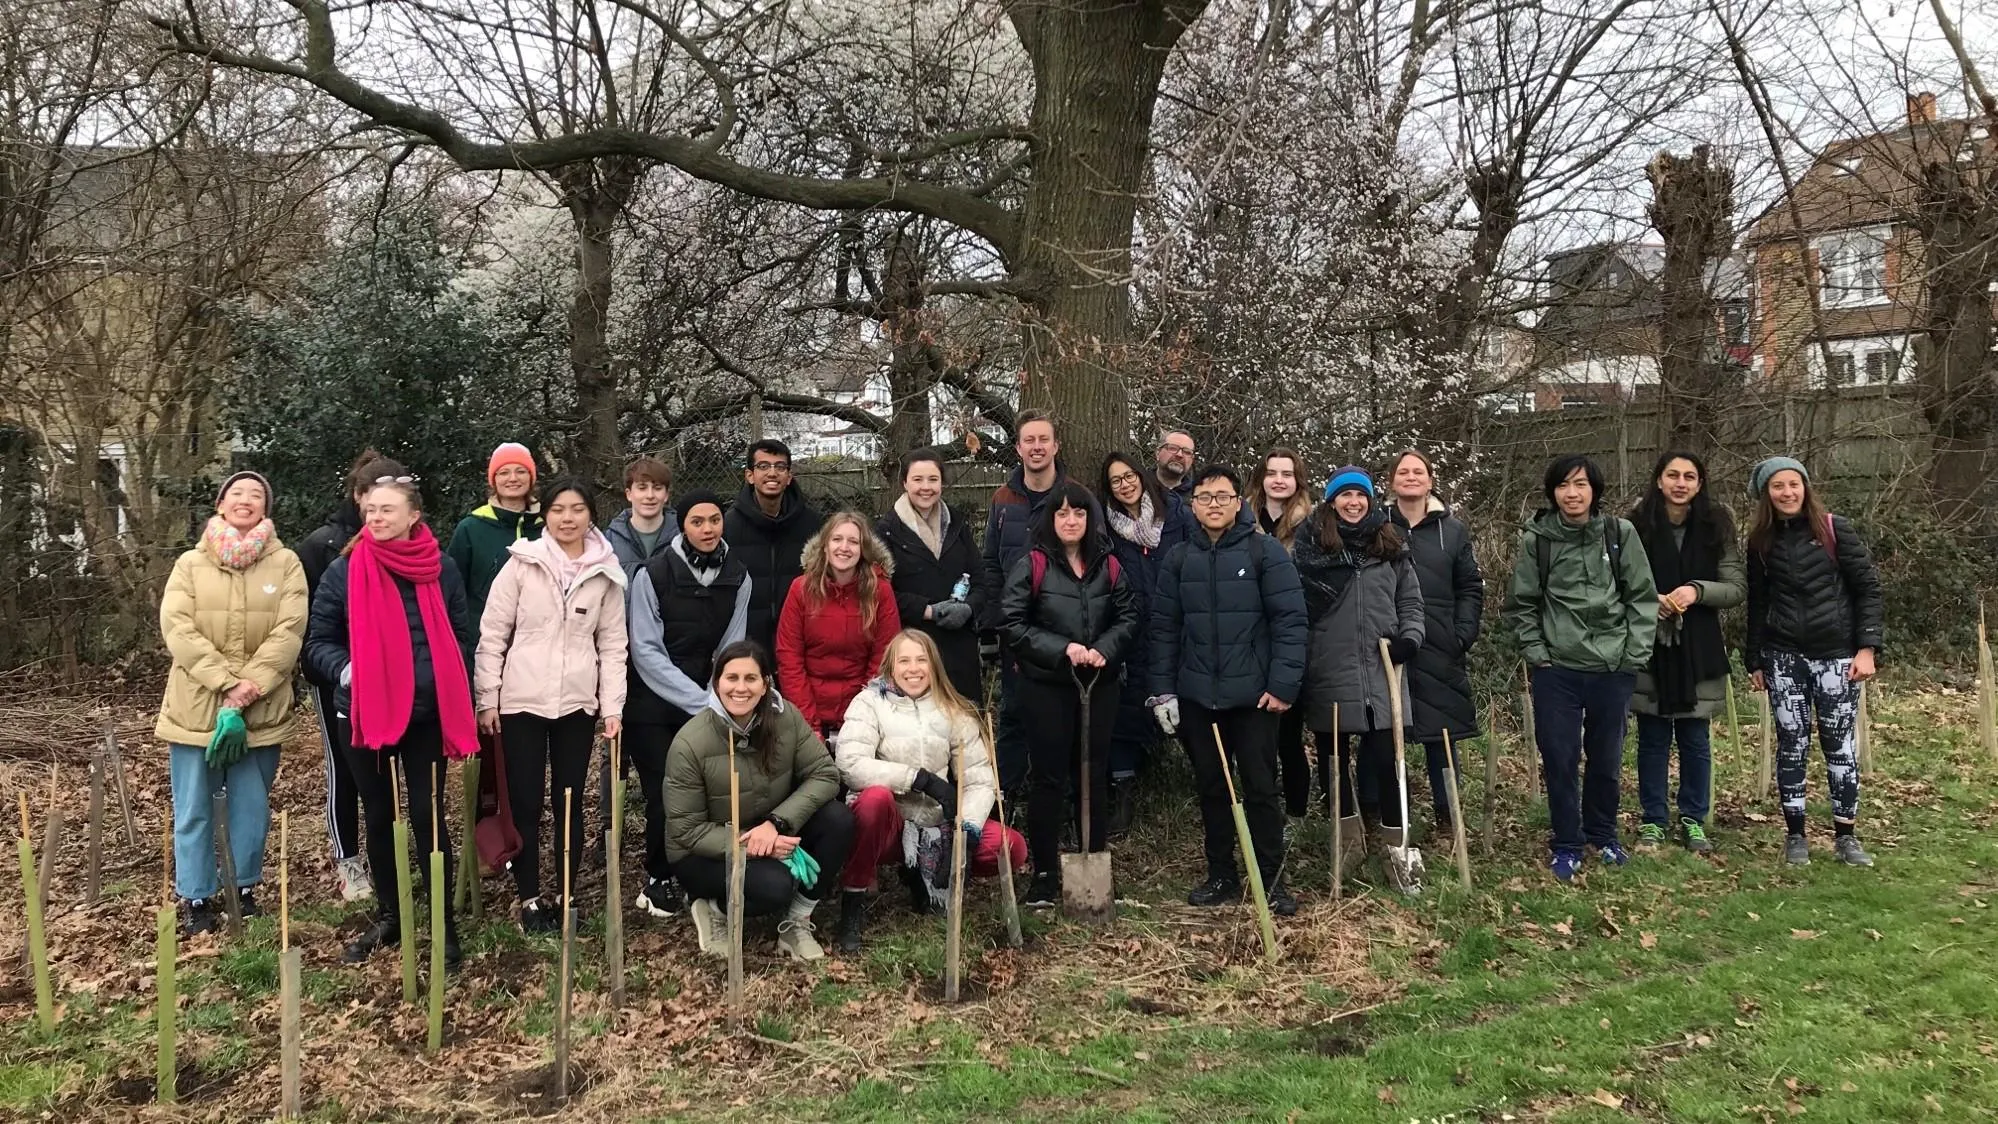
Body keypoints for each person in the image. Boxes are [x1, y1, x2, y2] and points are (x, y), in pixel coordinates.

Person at [303, 462, 478, 966]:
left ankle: (443, 927)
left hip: (426, 714)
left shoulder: (441, 568)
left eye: (387, 510)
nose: (376, 518)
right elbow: (317, 643)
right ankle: (392, 918)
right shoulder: (344, 569)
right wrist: (349, 671)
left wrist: (448, 681)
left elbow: (461, 638)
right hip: (361, 713)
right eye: (370, 509)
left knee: (427, 817)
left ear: (413, 515)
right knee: (379, 815)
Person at [1150, 466, 1309, 912]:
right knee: (1213, 790)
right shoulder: (1179, 559)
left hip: (1255, 700)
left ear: (1239, 502)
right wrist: (1163, 692)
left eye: (1222, 496)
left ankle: (1272, 880)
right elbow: (1163, 629)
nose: (1214, 504)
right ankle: (1221, 875)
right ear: (1192, 505)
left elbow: (1291, 623)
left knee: (1260, 789)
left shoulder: (1266, 554)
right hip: (1200, 699)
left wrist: (1282, 686)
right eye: (1204, 497)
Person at [157, 470, 309, 935]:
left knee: (250, 805)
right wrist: (225, 683)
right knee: (194, 807)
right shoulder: (189, 565)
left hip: (261, 711)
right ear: (222, 504)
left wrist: (251, 686)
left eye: (256, 495)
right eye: (237, 493)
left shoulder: (286, 565)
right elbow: (177, 628)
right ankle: (196, 897)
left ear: (266, 508)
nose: (246, 500)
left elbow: (291, 630)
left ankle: (242, 888)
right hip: (195, 709)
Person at [475, 478, 628, 933]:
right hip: (520, 700)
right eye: (558, 509)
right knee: (524, 802)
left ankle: (565, 893)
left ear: (590, 516)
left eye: (577, 509)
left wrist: (612, 705)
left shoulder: (607, 574)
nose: (567, 518)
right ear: (546, 515)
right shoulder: (522, 564)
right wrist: (488, 697)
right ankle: (528, 898)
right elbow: (493, 634)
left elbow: (614, 644)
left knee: (569, 799)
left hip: (577, 706)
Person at [1504, 455, 1659, 883]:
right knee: (1559, 756)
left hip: (1613, 667)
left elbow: (1641, 598)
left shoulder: (1618, 534)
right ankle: (1567, 842)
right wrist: (1538, 654)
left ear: (1595, 490)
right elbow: (1522, 603)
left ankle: (1604, 834)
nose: (1572, 493)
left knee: (1606, 758)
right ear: (1552, 492)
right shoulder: (1539, 540)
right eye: (1564, 486)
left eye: (1581, 485)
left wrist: (1632, 655)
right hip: (1557, 669)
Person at [832, 629, 1027, 952]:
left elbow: (979, 779)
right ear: (890, 667)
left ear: (934, 665)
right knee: (875, 799)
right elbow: (851, 763)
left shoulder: (952, 709)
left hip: (936, 825)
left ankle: (925, 880)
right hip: (887, 826)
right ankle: (852, 904)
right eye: (904, 661)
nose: (913, 669)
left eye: (921, 660)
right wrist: (918, 778)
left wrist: (968, 829)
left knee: (1011, 847)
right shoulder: (870, 703)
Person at [665, 641, 854, 962]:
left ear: (766, 683)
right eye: (731, 678)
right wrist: (750, 843)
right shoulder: (690, 743)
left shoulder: (786, 719)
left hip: (770, 825)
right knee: (774, 887)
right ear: (716, 683)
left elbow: (825, 774)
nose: (741, 688)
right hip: (704, 852)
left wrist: (777, 823)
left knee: (839, 820)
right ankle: (713, 910)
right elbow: (687, 830)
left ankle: (797, 921)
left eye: (751, 679)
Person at [999, 482, 1141, 908]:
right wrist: (1062, 650)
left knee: (1092, 774)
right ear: (1050, 520)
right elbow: (1011, 622)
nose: (1071, 521)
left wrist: (1105, 649)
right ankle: (1043, 875)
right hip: (1047, 687)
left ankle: (1093, 860)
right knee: (1048, 779)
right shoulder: (1033, 564)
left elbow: (1130, 616)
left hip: (1100, 686)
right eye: (1062, 514)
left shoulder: (1109, 566)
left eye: (1078, 513)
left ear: (1089, 518)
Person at [1293, 467, 1427, 895]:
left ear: (1371, 500)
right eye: (1344, 495)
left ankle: (1395, 844)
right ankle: (1346, 841)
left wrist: (1410, 637)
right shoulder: (1311, 547)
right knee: (1333, 762)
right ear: (1331, 501)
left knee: (1390, 760)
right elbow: (1296, 611)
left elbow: (1410, 600)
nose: (1354, 502)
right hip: (1329, 668)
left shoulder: (1390, 544)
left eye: (1361, 495)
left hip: (1384, 667)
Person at [1744, 457, 1882, 868]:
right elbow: (1758, 603)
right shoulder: (1759, 542)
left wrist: (1867, 648)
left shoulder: (1835, 530)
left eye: (1794, 484)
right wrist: (1755, 659)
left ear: (1805, 487)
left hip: (1837, 657)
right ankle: (1795, 835)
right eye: (1777, 487)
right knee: (1792, 747)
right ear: (1766, 494)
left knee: (1840, 747)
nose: (1787, 493)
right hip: (1784, 659)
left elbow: (1869, 590)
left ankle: (1846, 836)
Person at [624, 489, 750, 919]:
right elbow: (645, 650)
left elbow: (732, 646)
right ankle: (658, 876)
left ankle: (702, 874)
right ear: (684, 526)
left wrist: (722, 695)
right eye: (698, 521)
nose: (708, 528)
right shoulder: (652, 574)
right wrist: (700, 701)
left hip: (710, 697)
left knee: (713, 787)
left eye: (715, 520)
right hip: (652, 703)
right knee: (666, 789)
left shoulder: (739, 576)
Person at [1628, 451, 1743, 855]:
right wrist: (1649, 599)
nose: (1680, 483)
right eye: (1672, 475)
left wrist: (1697, 590)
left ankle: (1694, 819)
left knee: (1696, 740)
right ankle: (1654, 821)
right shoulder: (1635, 526)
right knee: (1653, 739)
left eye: (1689, 476)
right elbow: (1619, 584)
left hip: (1700, 647)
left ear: (1699, 483)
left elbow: (1735, 588)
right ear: (1659, 480)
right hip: (1649, 647)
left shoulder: (1716, 526)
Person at [1384, 450, 1485, 835]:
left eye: (1419, 471)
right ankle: (1392, 821)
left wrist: (1463, 634)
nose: (1411, 477)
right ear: (1392, 481)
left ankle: (1449, 819)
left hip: (1442, 645)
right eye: (1403, 471)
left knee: (1441, 740)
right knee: (1386, 739)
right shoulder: (1379, 526)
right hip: (1391, 646)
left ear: (1430, 480)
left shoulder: (1453, 530)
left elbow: (1470, 587)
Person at [1097, 451, 1198, 834]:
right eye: (1115, 481)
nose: (1125, 484)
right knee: (1126, 710)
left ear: (1141, 475)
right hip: (1132, 631)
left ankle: (1208, 788)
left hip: (1177, 625)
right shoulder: (1106, 526)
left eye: (1129, 476)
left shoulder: (1173, 513)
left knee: (1188, 706)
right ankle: (1124, 792)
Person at [296, 448, 381, 902]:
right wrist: (335, 669)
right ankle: (349, 860)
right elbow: (311, 624)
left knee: (384, 773)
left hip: (391, 682)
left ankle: (387, 857)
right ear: (356, 494)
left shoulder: (404, 540)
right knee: (345, 771)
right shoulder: (321, 547)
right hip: (336, 679)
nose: (377, 508)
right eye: (369, 495)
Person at [981, 410, 1066, 800]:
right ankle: (1008, 795)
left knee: (1062, 714)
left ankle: (1060, 797)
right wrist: (999, 620)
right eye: (1028, 440)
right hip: (1016, 630)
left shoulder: (1073, 496)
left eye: (1043, 440)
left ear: (1055, 446)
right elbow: (990, 562)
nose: (1036, 447)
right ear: (1017, 448)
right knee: (1013, 714)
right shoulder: (1003, 499)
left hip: (1062, 629)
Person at [874, 449, 988, 703]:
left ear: (942, 483)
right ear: (904, 483)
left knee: (965, 729)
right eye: (917, 479)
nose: (926, 487)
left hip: (960, 650)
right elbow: (880, 592)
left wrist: (968, 609)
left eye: (933, 479)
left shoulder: (957, 524)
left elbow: (981, 580)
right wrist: (928, 611)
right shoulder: (886, 531)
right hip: (913, 650)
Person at [776, 512, 901, 740]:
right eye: (837, 539)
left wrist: (861, 717)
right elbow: (789, 658)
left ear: (863, 549)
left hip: (863, 713)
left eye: (853, 542)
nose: (844, 547)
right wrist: (808, 724)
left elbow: (884, 658)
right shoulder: (800, 589)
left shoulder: (880, 592)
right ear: (824, 545)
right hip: (809, 712)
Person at [1246, 448, 1316, 819]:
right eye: (1271, 473)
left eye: (1286, 474)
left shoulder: (1310, 526)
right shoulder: (1242, 519)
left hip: (1291, 637)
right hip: (1250, 638)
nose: (1278, 480)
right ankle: (1262, 809)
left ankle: (1297, 812)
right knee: (1257, 736)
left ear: (1296, 481)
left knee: (1289, 733)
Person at [724, 439, 823, 659]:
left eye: (780, 467)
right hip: (746, 643)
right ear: (750, 475)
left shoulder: (811, 524)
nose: (772, 473)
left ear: (789, 477)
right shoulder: (729, 525)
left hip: (799, 638)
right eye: (763, 466)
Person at [447, 441, 544, 623]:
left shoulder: (547, 528)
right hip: (481, 639)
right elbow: (452, 589)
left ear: (531, 477)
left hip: (537, 641)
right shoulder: (471, 528)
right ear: (494, 480)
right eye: (504, 472)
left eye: (521, 471)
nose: (513, 478)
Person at [606, 455, 678, 577]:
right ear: (629, 494)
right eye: (642, 488)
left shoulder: (683, 535)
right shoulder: (608, 541)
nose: (650, 495)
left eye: (657, 488)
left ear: (666, 495)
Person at [1154, 429, 1198, 499]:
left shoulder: (1198, 496)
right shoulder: (1139, 487)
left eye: (1187, 452)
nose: (1179, 455)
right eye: (1173, 448)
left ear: (1192, 460)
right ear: (1158, 453)